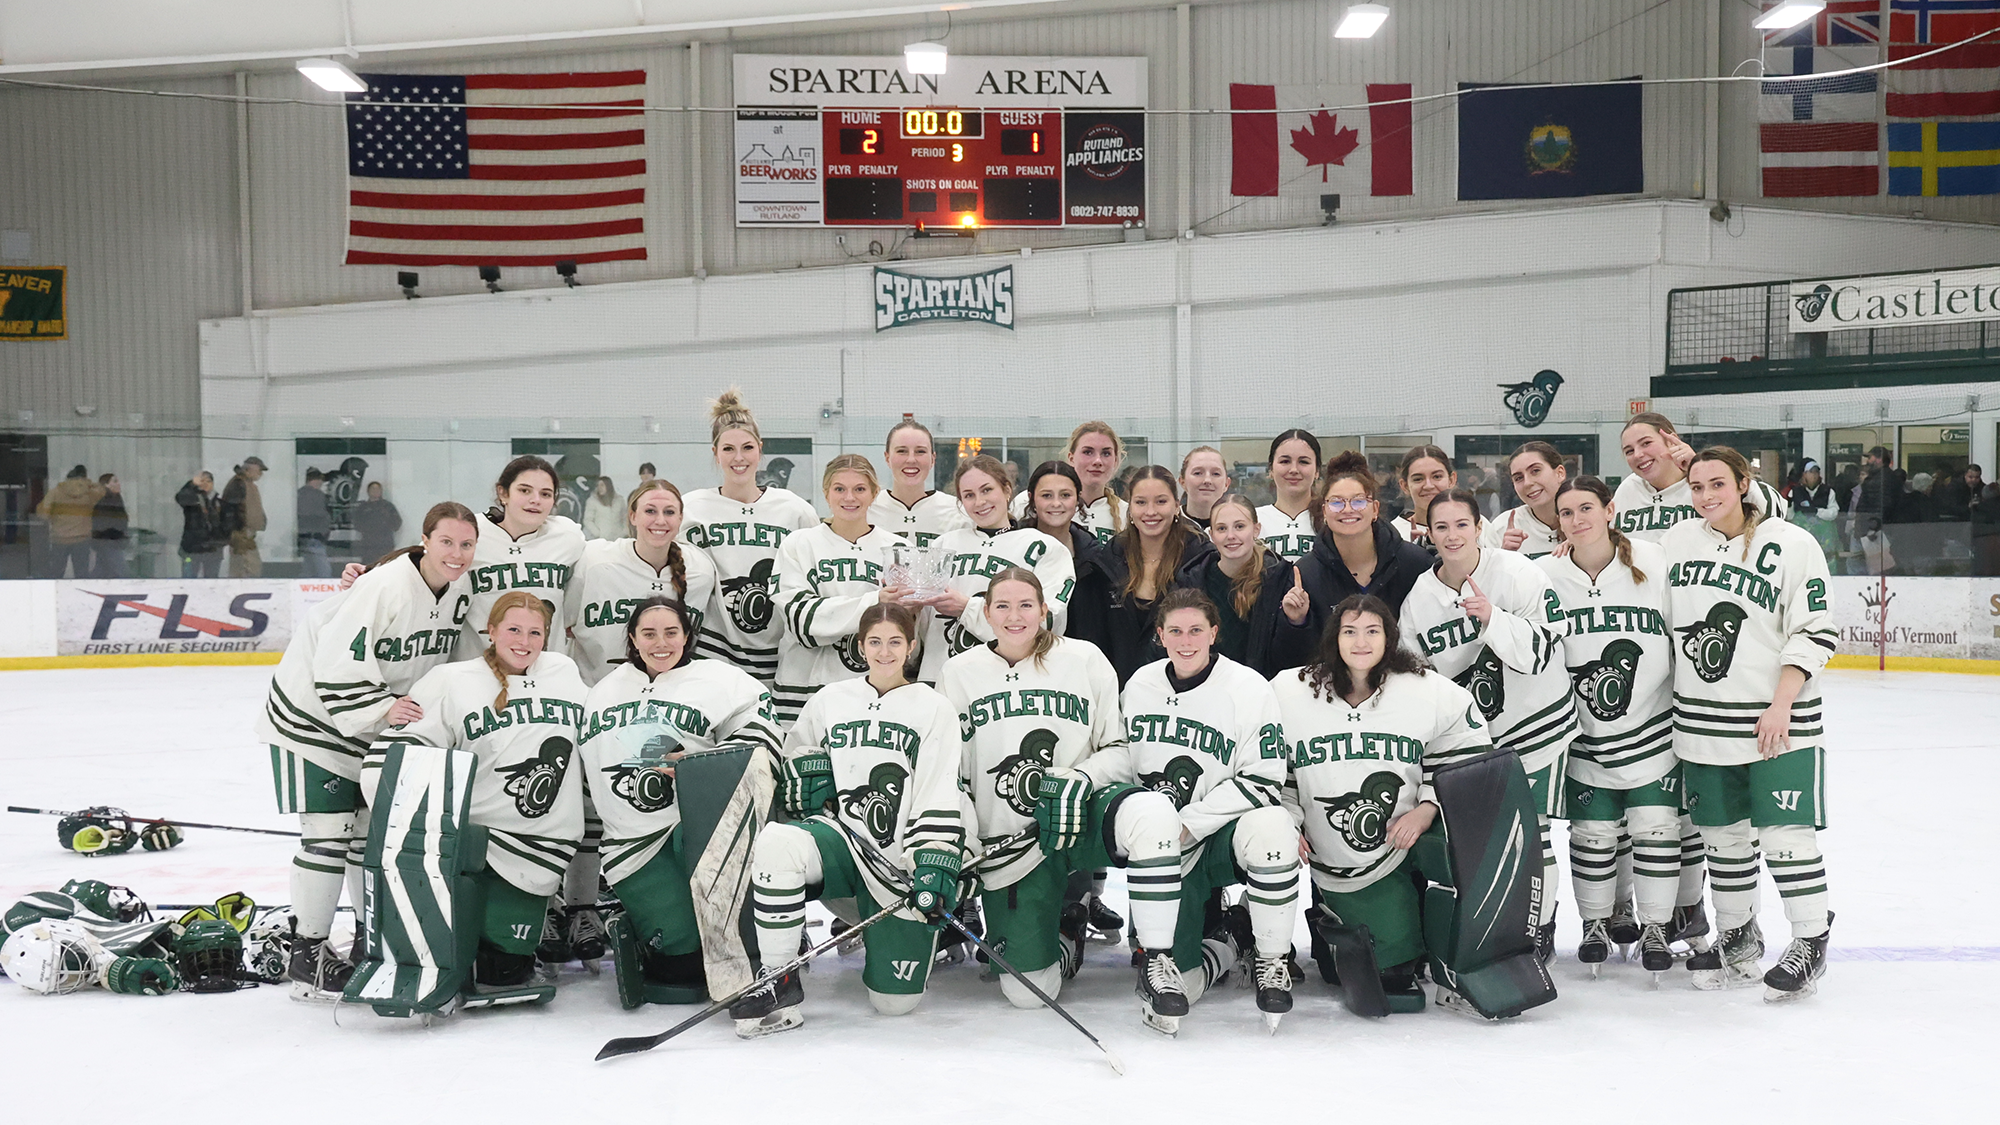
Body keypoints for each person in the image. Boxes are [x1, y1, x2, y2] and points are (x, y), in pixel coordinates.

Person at [938, 569, 1190, 1033]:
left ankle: (1158, 960)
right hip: (1009, 843)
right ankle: (1069, 930)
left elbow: (1119, 752)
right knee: (1026, 993)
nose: (1016, 617)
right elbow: (949, 771)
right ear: (986, 613)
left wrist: (1080, 777)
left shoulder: (1085, 659)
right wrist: (964, 841)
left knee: (1153, 812)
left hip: (1080, 813)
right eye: (1003, 607)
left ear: (1045, 609)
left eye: (1026, 605)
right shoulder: (959, 672)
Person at [254, 501, 478, 1000]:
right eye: (447, 542)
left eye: (466, 544)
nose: (457, 553)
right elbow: (335, 661)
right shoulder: (385, 586)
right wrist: (382, 706)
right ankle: (306, 954)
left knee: (365, 839)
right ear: (425, 540)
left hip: (371, 723)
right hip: (312, 717)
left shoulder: (460, 586)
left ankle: (364, 941)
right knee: (328, 836)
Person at [738, 604, 964, 1036]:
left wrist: (931, 860)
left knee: (894, 1005)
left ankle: (911, 940)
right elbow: (799, 753)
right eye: (875, 642)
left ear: (912, 647)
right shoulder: (830, 699)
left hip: (898, 865)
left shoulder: (935, 708)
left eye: (895, 642)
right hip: (842, 842)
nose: (884, 652)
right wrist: (808, 775)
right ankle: (777, 976)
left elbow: (939, 787)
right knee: (777, 842)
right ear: (860, 647)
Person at [1663, 447, 1837, 1001]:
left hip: (1777, 721)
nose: (1707, 495)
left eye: (1718, 483)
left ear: (1744, 484)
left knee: (1786, 839)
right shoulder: (1676, 543)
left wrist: (1783, 702)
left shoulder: (1792, 544)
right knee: (1723, 840)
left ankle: (1810, 939)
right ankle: (1738, 935)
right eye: (1697, 486)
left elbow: (1815, 631)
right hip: (1700, 724)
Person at [362, 591, 588, 998]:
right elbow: (402, 744)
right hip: (473, 842)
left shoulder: (564, 672)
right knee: (476, 963)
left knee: (505, 969)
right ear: (491, 630)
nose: (524, 640)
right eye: (514, 629)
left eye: (535, 632)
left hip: (545, 843)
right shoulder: (453, 680)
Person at [1274, 594, 1493, 1013]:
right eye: (1350, 631)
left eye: (1372, 631)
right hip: (1323, 852)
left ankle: (1429, 940)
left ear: (1389, 637)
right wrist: (1287, 816)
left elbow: (1468, 748)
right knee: (1339, 969)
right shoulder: (1290, 689)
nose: (1361, 642)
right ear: (1333, 638)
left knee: (1391, 971)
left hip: (1394, 849)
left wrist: (1428, 806)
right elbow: (1272, 765)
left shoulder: (1424, 689)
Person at [577, 597, 783, 1009]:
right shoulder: (604, 691)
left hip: (699, 829)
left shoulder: (722, 679)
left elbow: (766, 739)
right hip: (631, 845)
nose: (661, 643)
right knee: (683, 968)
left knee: (719, 952)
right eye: (649, 633)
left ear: (687, 635)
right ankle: (636, 925)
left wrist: (701, 762)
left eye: (671, 632)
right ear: (633, 639)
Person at [1400, 487, 1577, 959]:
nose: (1452, 535)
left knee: (1532, 830)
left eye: (1462, 524)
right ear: (1429, 533)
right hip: (1475, 738)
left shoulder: (1519, 573)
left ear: (1480, 527)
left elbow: (1543, 651)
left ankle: (1539, 928)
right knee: (1485, 841)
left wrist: (1493, 619)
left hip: (1535, 726)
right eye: (1441, 527)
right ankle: (1499, 926)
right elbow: (1416, 676)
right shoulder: (1420, 596)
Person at [1541, 477, 1701, 977]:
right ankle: (1595, 922)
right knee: (1591, 834)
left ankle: (1656, 924)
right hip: (1582, 733)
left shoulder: (1655, 563)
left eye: (1586, 508)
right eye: (1566, 513)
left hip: (1652, 727)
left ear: (1610, 510)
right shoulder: (1543, 576)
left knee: (1656, 830)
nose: (1577, 519)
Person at [1116, 589, 1299, 1027]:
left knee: (1274, 826)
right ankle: (1233, 936)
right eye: (1175, 630)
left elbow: (1265, 777)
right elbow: (1123, 758)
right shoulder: (1140, 684)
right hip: (1157, 842)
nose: (1186, 640)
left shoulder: (1248, 687)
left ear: (1214, 633)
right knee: (1188, 985)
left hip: (1218, 835)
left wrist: (1192, 823)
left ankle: (1272, 962)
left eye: (1196, 629)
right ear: (1159, 635)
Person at [681, 389, 819, 686]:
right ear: (715, 453)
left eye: (747, 447)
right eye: (728, 449)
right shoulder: (690, 509)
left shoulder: (796, 510)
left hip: (780, 660)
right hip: (711, 658)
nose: (739, 458)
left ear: (760, 449)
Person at [913, 454, 1073, 682]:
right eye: (969, 495)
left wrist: (967, 608)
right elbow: (923, 629)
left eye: (987, 490)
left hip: (1007, 683)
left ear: (1007, 490)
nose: (979, 502)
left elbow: (1047, 626)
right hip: (941, 677)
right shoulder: (943, 545)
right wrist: (908, 608)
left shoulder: (1043, 548)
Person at [770, 454, 901, 723]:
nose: (849, 498)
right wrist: (874, 601)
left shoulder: (899, 550)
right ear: (826, 493)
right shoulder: (798, 544)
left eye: (860, 489)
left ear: (875, 493)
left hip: (877, 694)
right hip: (802, 693)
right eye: (839, 489)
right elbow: (802, 623)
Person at [1068, 465, 1216, 686]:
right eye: (1141, 502)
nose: (1150, 512)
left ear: (1177, 506)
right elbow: (1093, 638)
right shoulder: (1109, 560)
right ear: (1130, 508)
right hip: (1120, 689)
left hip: (1185, 689)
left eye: (1161, 501)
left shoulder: (1201, 558)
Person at [568, 479, 719, 687]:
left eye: (669, 512)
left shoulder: (700, 570)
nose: (660, 520)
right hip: (596, 696)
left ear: (681, 519)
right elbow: (563, 625)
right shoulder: (595, 561)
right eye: (650, 511)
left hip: (668, 698)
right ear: (632, 516)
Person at [1292, 452, 1434, 639]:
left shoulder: (1416, 564)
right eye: (1336, 502)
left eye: (1358, 501)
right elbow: (1299, 653)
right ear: (1324, 511)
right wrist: (1296, 622)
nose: (1348, 510)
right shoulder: (1306, 574)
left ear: (1375, 509)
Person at [1176, 491, 1314, 677]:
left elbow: (1292, 658)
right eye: (1222, 528)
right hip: (1207, 689)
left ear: (1256, 530)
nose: (1231, 535)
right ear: (1211, 534)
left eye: (1239, 526)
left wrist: (1296, 622)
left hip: (1263, 690)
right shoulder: (1191, 581)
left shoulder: (1279, 579)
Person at [1615, 414, 1787, 542]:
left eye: (1646, 443)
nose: (1638, 454)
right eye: (1629, 451)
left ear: (1672, 441)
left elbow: (1775, 511)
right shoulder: (1627, 489)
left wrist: (1700, 468)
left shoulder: (1709, 485)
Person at [1007, 421, 1127, 542]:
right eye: (1088, 452)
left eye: (1106, 453)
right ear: (1071, 458)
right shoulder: (1026, 502)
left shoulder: (1127, 513)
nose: (1097, 461)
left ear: (1116, 461)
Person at [870, 418, 971, 546]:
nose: (911, 459)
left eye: (920, 452)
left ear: (933, 459)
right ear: (887, 457)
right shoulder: (867, 510)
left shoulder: (958, 512)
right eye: (902, 451)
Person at [1483, 442, 1567, 559]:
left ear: (1560, 473)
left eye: (1535, 471)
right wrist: (1504, 555)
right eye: (1518, 478)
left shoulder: (1588, 520)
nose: (1527, 483)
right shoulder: (1501, 527)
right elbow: (1488, 576)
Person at [1257, 429, 1321, 563]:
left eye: (1303, 462)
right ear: (1271, 470)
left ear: (1317, 471)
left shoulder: (1333, 518)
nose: (1294, 470)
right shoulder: (1251, 519)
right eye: (1285, 461)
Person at [35, 465, 103, 578]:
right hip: (82, 538)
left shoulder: (55, 492)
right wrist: (88, 483)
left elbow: (43, 515)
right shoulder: (90, 492)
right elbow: (103, 495)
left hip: (59, 539)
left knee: (56, 573)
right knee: (82, 574)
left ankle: (55, 595)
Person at [1389, 445, 1455, 555]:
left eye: (1437, 477)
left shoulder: (1474, 523)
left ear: (1452, 480)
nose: (1428, 486)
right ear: (1404, 486)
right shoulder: (1393, 534)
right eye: (1418, 479)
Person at [221, 457, 268, 577]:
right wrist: (236, 530)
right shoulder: (238, 484)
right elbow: (230, 509)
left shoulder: (246, 484)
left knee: (243, 566)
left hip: (245, 532)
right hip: (242, 533)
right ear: (248, 470)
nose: (260, 474)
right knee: (250, 566)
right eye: (259, 470)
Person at [176, 472, 225, 578]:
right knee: (188, 581)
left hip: (213, 550)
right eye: (202, 481)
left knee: (212, 582)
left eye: (209, 481)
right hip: (192, 550)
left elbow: (227, 523)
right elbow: (181, 497)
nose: (206, 484)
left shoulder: (218, 502)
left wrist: (223, 541)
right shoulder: (192, 500)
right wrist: (191, 484)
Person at [1178, 446, 1228, 531]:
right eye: (1197, 473)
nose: (1207, 480)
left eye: (1215, 474)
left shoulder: (1242, 525)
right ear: (1183, 481)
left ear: (1226, 484)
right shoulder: (1169, 525)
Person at [352, 481, 403, 564]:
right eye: (373, 489)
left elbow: (397, 522)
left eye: (378, 489)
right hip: (368, 545)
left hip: (385, 544)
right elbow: (357, 523)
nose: (375, 491)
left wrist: (386, 527)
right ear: (368, 491)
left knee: (386, 567)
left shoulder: (387, 506)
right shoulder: (363, 508)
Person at [90, 473, 128, 578]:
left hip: (109, 542)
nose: (119, 483)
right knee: (121, 572)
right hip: (109, 542)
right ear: (106, 485)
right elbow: (102, 524)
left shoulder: (116, 499)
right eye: (115, 481)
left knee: (100, 571)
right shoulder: (105, 501)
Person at [296, 468, 332, 578]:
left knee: (308, 569)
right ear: (316, 480)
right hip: (315, 537)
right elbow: (320, 515)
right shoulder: (317, 495)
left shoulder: (299, 494)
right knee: (324, 571)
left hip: (304, 536)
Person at [582, 475, 628, 541]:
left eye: (602, 485)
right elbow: (588, 520)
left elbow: (625, 518)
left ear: (608, 486)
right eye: (598, 485)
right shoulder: (592, 501)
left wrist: (623, 533)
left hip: (617, 540)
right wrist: (598, 534)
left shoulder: (619, 501)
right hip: (600, 540)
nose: (599, 488)